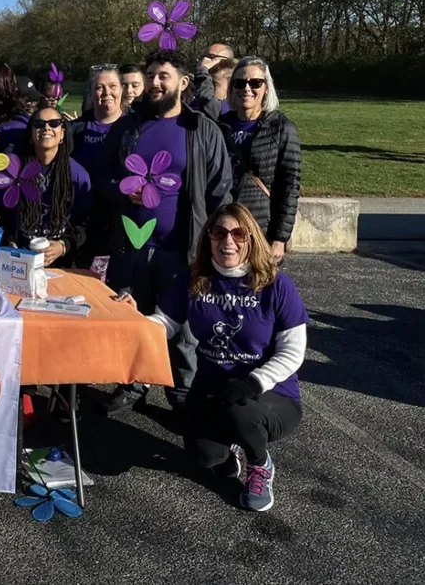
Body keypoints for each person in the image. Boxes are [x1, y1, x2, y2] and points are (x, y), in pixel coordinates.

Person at [118, 203, 306, 512]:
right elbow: (164, 324)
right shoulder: (195, 279)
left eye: (237, 233)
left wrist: (255, 381)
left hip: (269, 394)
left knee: (241, 414)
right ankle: (230, 447)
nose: (227, 242)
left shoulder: (276, 285)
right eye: (219, 233)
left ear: (251, 238)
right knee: (205, 457)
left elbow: (293, 350)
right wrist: (132, 319)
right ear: (208, 239)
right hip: (212, 390)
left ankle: (260, 465)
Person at [101, 48, 233, 415]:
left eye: (164, 76)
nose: (156, 83)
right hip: (134, 244)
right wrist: (123, 189)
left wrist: (219, 245)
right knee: (134, 320)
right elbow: (104, 177)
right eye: (152, 76)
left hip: (183, 247)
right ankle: (133, 384)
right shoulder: (129, 127)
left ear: (183, 82)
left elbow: (221, 190)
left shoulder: (201, 129)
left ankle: (183, 395)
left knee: (184, 330)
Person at [221, 57, 301, 262]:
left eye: (255, 83)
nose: (246, 88)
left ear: (266, 88)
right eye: (239, 83)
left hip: (260, 228)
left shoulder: (281, 128)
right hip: (222, 228)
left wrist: (280, 238)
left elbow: (289, 186)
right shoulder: (219, 126)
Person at [2, 107, 90, 267]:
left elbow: (85, 224)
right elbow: (0, 214)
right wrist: (7, 242)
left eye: (54, 123)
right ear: (31, 133)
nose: (47, 128)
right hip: (18, 260)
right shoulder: (13, 169)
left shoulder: (77, 175)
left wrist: (63, 246)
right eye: (39, 124)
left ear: (62, 133)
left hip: (60, 264)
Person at [68, 64, 126, 274]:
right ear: (91, 92)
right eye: (100, 87)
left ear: (122, 90)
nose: (107, 92)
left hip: (118, 224)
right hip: (80, 223)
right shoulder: (74, 130)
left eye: (112, 86)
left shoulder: (134, 129)